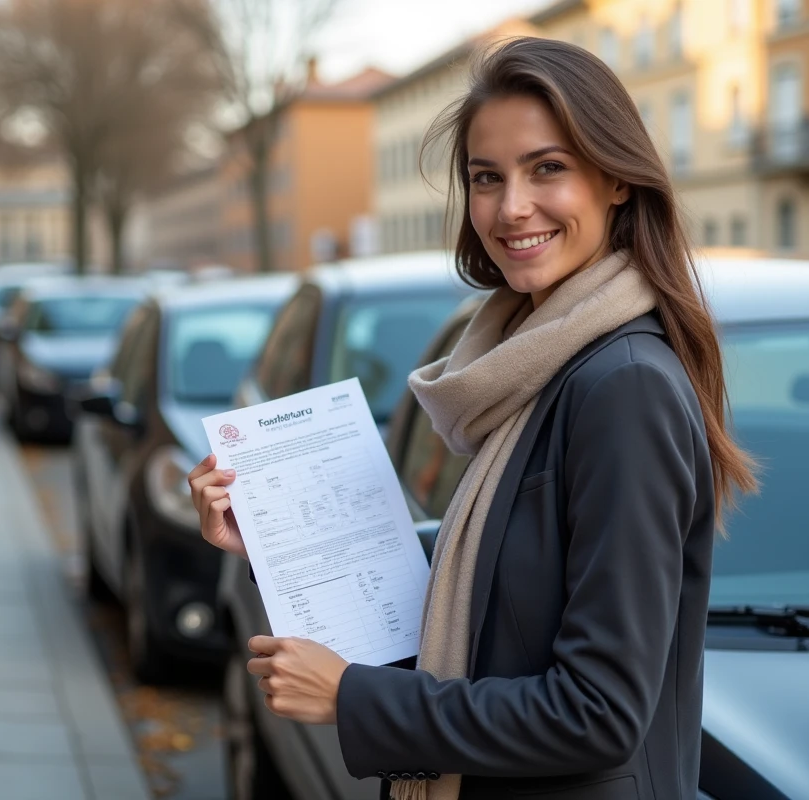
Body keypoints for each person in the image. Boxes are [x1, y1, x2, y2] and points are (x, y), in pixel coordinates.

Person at [188, 37, 758, 800]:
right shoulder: (537, 362)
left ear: (616, 178)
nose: (511, 207)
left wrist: (355, 698)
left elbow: (600, 712)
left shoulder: (622, 387)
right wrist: (276, 530)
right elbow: (493, 577)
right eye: (486, 178)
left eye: (547, 168)